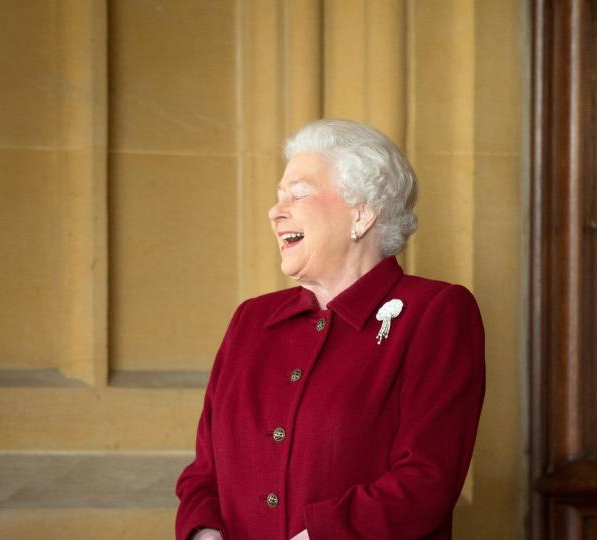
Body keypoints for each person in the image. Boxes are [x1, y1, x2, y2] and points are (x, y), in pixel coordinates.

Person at [175, 119, 486, 540]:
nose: (275, 211)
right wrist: (204, 533)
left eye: (298, 194)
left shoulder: (436, 312)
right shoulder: (251, 320)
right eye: (277, 197)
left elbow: (427, 479)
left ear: (362, 212)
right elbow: (204, 471)